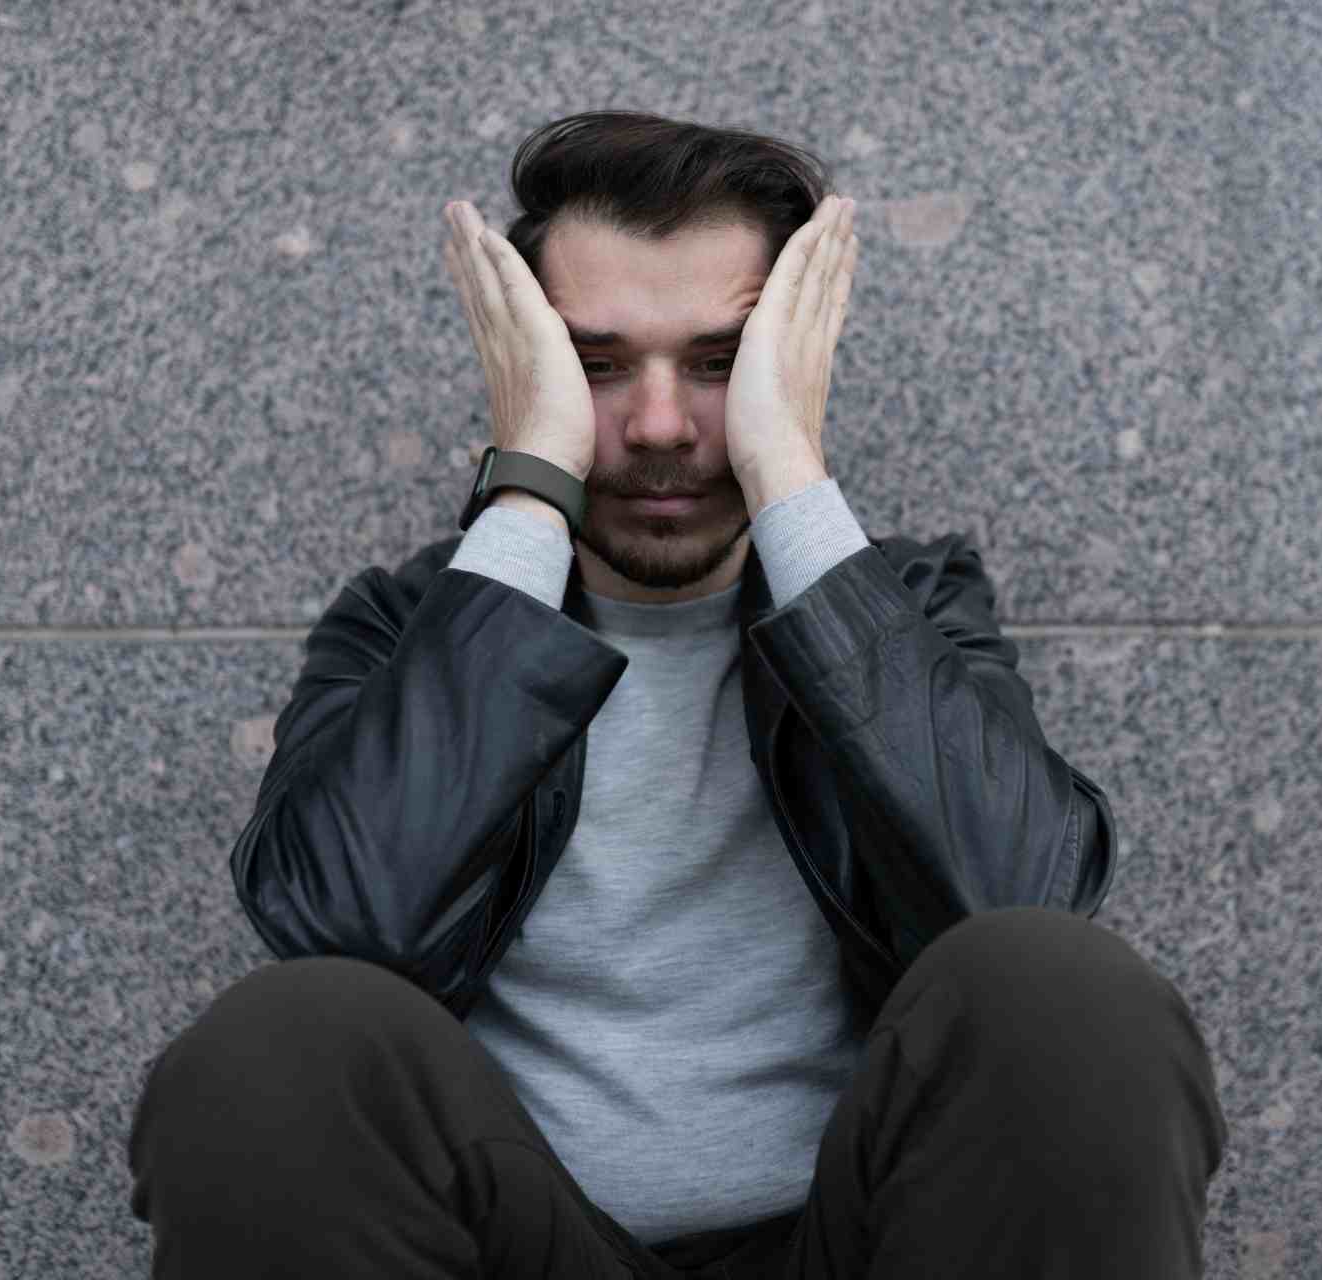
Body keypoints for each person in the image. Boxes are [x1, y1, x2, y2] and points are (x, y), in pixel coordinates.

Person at [127, 110, 1227, 1279]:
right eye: (597, 365)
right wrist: (529, 487)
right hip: (525, 1250)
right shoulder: (409, 630)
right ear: (526, 367)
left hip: (855, 1248)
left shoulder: (907, 604)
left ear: (792, 362)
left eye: (719, 362)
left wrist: (790, 473)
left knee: (1063, 992)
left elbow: (1024, 905)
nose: (658, 427)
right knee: (281, 1041)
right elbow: (336, 931)